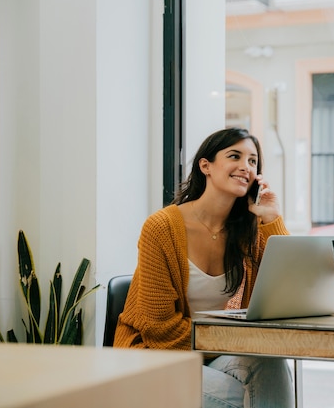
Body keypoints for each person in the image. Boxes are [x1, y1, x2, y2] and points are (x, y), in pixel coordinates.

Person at [113, 128, 295, 408]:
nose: (245, 167)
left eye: (252, 161)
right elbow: (160, 330)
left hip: (210, 354)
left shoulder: (249, 232)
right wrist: (228, 339)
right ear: (205, 165)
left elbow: (287, 292)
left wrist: (272, 219)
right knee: (243, 399)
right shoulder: (161, 227)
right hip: (152, 357)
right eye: (234, 156)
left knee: (271, 364)